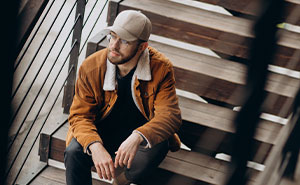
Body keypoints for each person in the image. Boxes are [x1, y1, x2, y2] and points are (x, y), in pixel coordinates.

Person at [64, 10, 182, 185]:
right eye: (112, 36)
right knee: (74, 151)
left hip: (137, 139)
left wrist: (137, 137)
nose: (114, 45)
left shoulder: (161, 68)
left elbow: (170, 116)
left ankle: (122, 180)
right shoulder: (91, 67)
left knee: (159, 145)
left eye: (125, 41)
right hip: (102, 132)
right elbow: (79, 116)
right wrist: (95, 145)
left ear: (142, 47)